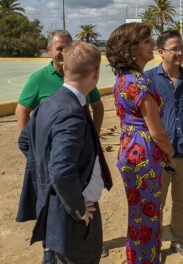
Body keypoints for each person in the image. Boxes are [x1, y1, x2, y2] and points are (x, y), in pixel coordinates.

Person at [17, 41, 113, 264]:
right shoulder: (71, 112)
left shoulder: (50, 103)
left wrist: (46, 180)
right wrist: (77, 207)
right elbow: (61, 172)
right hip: (73, 216)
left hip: (59, 206)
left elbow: (25, 142)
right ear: (96, 72)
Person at [106, 23, 173, 264]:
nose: (152, 44)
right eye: (146, 41)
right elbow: (157, 132)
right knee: (148, 216)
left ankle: (137, 258)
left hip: (129, 149)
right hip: (144, 154)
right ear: (131, 49)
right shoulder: (139, 83)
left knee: (138, 215)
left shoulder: (123, 79)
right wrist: (170, 152)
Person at [144, 30, 183, 260]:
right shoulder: (149, 79)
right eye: (174, 49)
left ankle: (178, 241)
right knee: (156, 204)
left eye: (181, 48)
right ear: (160, 52)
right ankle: (155, 246)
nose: (179, 52)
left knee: (181, 202)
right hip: (158, 156)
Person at [15, 30, 104, 133]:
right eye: (59, 48)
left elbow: (97, 107)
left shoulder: (83, 74)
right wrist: (29, 144)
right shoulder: (39, 78)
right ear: (49, 50)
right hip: (52, 145)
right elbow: (21, 111)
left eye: (67, 48)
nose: (63, 52)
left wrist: (95, 135)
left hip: (82, 143)